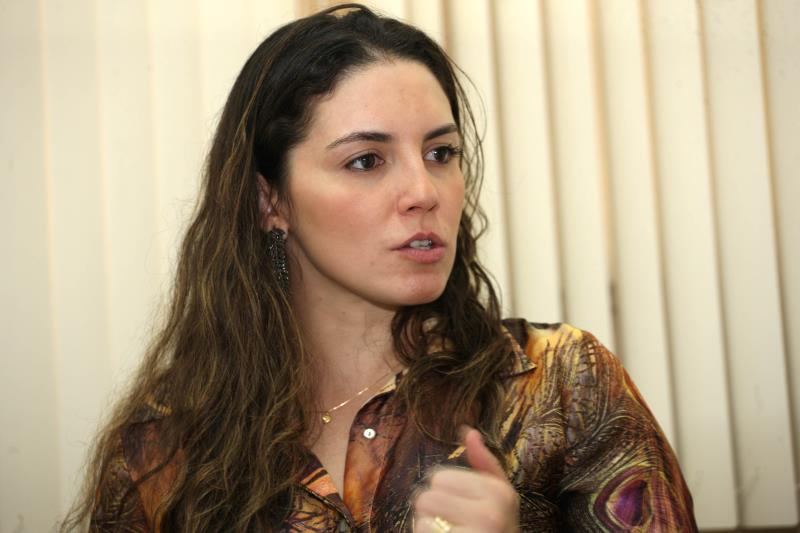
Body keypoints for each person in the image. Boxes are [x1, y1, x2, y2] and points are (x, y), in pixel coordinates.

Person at [63, 4, 697, 532]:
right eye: (366, 160)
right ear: (270, 201)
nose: (424, 191)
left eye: (441, 152)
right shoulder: (163, 451)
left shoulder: (560, 385)